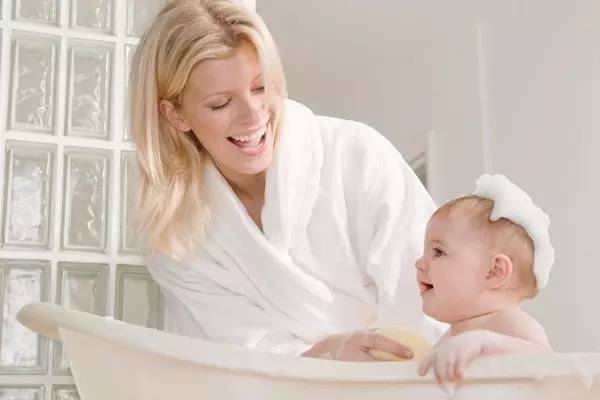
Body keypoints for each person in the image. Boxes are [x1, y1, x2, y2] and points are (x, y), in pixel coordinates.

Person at [130, 0, 441, 360]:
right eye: (220, 104)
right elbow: (242, 356)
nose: (253, 117)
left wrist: (391, 368)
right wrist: (325, 356)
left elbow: (430, 302)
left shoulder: (358, 157)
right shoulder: (176, 235)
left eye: (260, 88)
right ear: (175, 114)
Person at [415, 174, 554, 383]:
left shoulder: (508, 322)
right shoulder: (448, 338)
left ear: (494, 272)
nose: (419, 262)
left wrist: (486, 344)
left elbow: (549, 365)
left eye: (438, 252)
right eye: (424, 252)